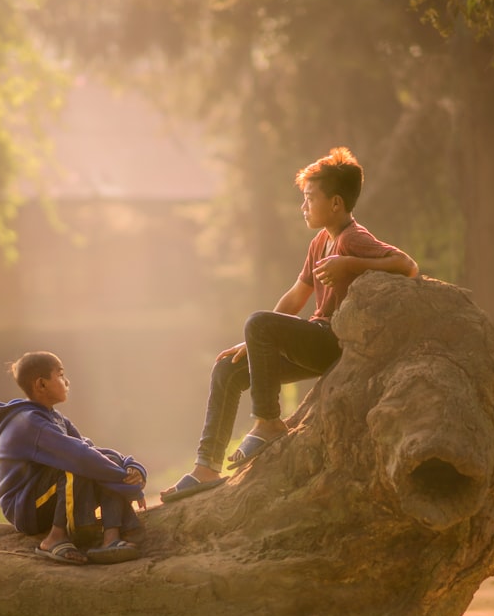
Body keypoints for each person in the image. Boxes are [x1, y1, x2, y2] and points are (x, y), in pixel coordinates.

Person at [161, 146, 418, 503]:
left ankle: (268, 422)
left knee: (258, 324)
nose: (304, 206)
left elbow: (407, 265)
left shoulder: (352, 238)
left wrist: (351, 265)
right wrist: (251, 342)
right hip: (314, 339)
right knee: (228, 369)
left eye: (310, 198)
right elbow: (296, 297)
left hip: (334, 341)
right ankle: (207, 466)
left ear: (336, 203)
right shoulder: (320, 242)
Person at [0, 351, 147, 565]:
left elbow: (90, 449)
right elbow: (80, 458)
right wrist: (127, 486)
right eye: (61, 375)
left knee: (102, 461)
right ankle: (55, 537)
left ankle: (111, 537)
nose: (67, 381)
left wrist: (129, 466)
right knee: (76, 466)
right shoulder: (30, 423)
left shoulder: (55, 417)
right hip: (25, 507)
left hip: (46, 496)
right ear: (41, 385)